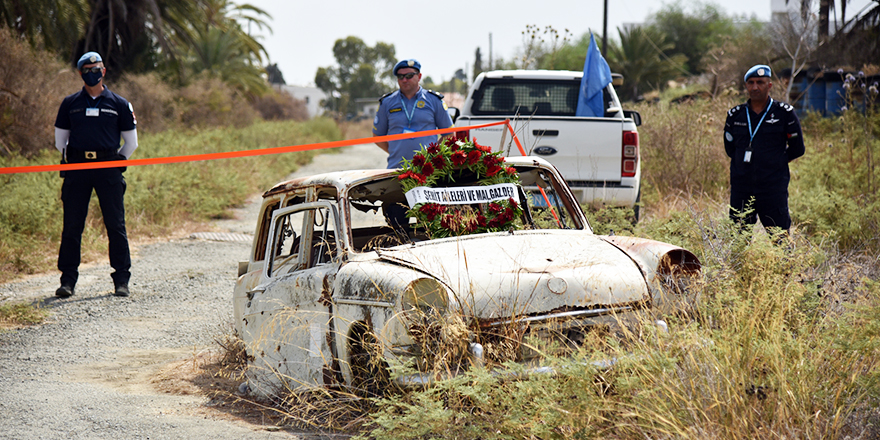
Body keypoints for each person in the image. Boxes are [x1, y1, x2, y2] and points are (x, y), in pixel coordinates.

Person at [53, 51, 138, 298]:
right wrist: (76, 158)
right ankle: (67, 280)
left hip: (108, 168)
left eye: (97, 68)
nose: (93, 73)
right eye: (88, 69)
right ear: (81, 73)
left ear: (104, 70)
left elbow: (131, 143)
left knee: (116, 225)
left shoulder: (119, 104)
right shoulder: (70, 104)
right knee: (72, 226)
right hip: (77, 168)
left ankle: (121, 280)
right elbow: (61, 141)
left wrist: (114, 161)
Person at [723, 64, 805, 235]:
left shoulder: (785, 114)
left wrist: (776, 162)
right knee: (738, 239)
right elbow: (731, 149)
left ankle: (785, 263)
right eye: (750, 82)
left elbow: (797, 149)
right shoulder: (735, 115)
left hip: (773, 187)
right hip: (742, 188)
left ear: (769, 86)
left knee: (780, 239)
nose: (755, 87)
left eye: (760, 82)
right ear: (746, 86)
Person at [372, 59, 454, 169]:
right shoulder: (387, 102)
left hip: (427, 170)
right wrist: (395, 152)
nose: (404, 80)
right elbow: (377, 136)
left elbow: (449, 134)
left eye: (409, 75)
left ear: (419, 76)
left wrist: (433, 155)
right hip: (396, 169)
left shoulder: (434, 100)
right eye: (400, 77)